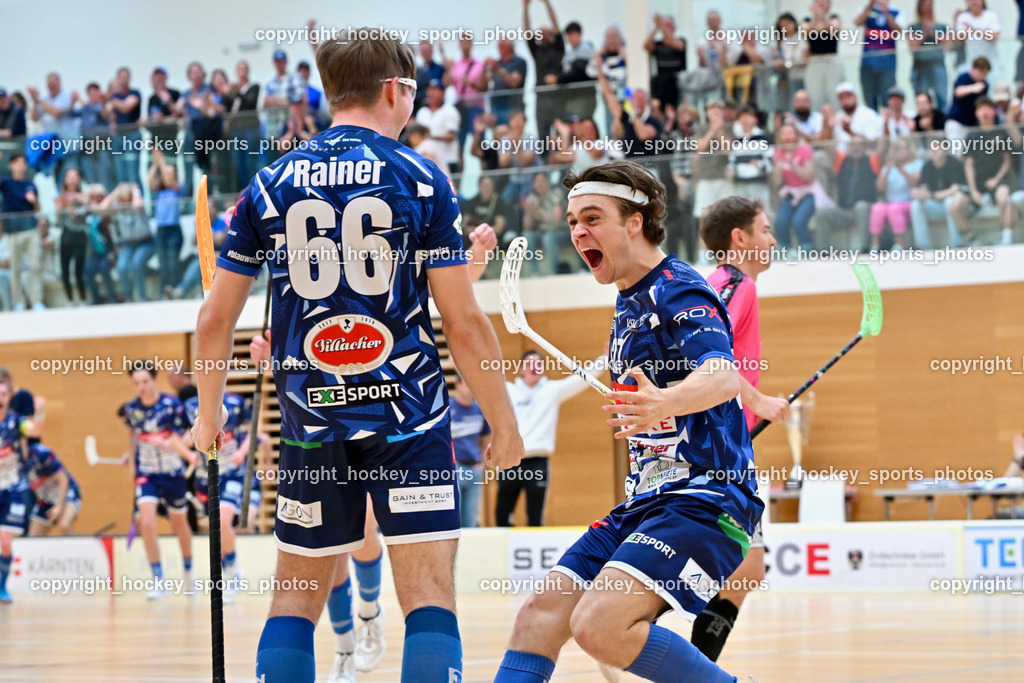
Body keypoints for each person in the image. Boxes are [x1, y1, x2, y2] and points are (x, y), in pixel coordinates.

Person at [191, 30, 523, 683]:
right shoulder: (423, 177)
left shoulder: (269, 183)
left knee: (294, 597)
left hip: (311, 419)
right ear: (395, 90)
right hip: (411, 416)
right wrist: (503, 422)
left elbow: (212, 320)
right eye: (415, 92)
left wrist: (208, 417)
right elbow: (463, 321)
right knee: (429, 596)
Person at [494, 160, 762, 682]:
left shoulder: (677, 289)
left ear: (634, 222)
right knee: (539, 617)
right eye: (572, 221)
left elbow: (723, 375)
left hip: (707, 498)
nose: (577, 231)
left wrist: (666, 401)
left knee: (600, 625)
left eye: (591, 218)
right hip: (645, 501)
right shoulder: (626, 302)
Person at [693, 195, 790, 663]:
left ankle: (691, 666)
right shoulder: (736, 284)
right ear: (740, 238)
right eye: (766, 230)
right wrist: (760, 402)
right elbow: (711, 358)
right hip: (715, 449)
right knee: (739, 565)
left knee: (746, 567)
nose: (772, 240)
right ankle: (619, 625)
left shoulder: (721, 284)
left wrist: (750, 414)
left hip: (725, 443)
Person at [119, 361, 196, 599]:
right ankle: (158, 580)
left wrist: (177, 446)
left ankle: (188, 571)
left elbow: (191, 432)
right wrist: (131, 461)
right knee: (147, 522)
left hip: (173, 473)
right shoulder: (131, 409)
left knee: (180, 525)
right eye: (136, 383)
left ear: (154, 380)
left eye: (145, 381)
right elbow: (132, 435)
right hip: (147, 473)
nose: (141, 387)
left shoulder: (172, 405)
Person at [497, 349, 599, 527]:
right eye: (529, 363)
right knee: (502, 516)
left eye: (538, 363)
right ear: (520, 368)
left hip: (538, 462)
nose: (534, 367)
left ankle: (532, 553)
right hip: (510, 460)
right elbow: (480, 382)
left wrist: (605, 359)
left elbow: (582, 379)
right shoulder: (508, 391)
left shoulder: (552, 390)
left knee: (535, 518)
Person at [0, 382, 43, 603]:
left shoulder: (16, 422)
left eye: (3, 394)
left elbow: (34, 430)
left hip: (13, 488)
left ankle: (2, 586)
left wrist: (39, 412)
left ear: (9, 398)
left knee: (5, 540)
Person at [24, 442, 81, 536]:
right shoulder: (16, 464)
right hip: (46, 500)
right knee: (32, 537)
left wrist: (59, 506)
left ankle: (78, 550)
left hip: (67, 493)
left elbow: (63, 479)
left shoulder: (41, 453)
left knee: (65, 524)